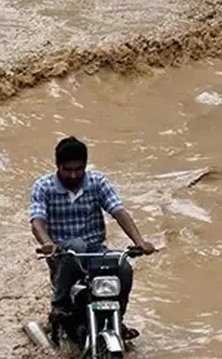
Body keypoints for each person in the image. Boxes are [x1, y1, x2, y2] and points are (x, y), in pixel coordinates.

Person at [29, 136, 158, 341]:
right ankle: (59, 305)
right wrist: (47, 243)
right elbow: (37, 221)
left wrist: (139, 242)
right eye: (67, 170)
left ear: (85, 166)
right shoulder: (43, 187)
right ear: (57, 166)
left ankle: (118, 318)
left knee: (124, 267)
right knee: (76, 245)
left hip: (95, 251)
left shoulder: (98, 182)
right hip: (62, 253)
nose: (73, 175)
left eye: (78, 169)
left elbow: (118, 211)